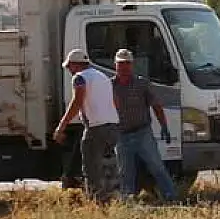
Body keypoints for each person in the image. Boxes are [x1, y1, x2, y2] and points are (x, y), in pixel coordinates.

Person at [53, 49, 120, 202]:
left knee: (91, 168)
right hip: (113, 126)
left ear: (76, 65)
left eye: (69, 66)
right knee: (108, 166)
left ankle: (97, 202)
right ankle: (113, 198)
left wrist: (61, 127)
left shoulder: (80, 78)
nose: (69, 70)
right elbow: (115, 101)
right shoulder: (103, 76)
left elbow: (77, 102)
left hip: (96, 128)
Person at [111, 48, 177, 202]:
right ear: (115, 65)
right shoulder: (110, 86)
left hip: (142, 133)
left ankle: (170, 196)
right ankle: (127, 201)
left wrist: (164, 126)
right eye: (121, 64)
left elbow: (156, 105)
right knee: (125, 171)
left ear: (132, 65)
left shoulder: (142, 83)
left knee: (157, 166)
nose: (124, 67)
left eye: (127, 63)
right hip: (121, 135)